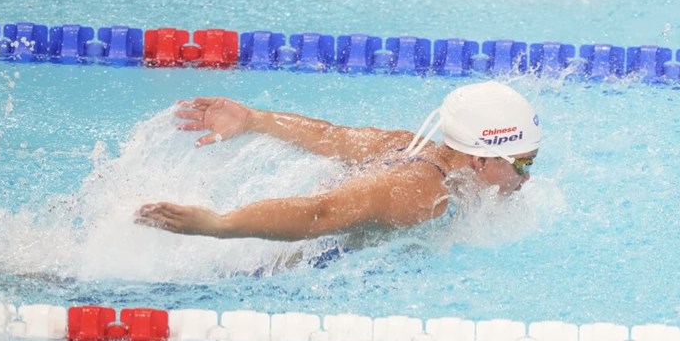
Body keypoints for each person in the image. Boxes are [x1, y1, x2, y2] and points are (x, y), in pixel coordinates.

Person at [135, 81, 542, 241]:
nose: (527, 177)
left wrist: (256, 119)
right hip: (285, 267)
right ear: (477, 160)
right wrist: (219, 225)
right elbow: (320, 212)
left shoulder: (409, 144)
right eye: (522, 163)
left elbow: (331, 136)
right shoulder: (420, 195)